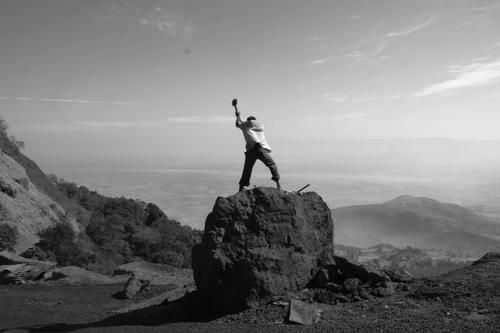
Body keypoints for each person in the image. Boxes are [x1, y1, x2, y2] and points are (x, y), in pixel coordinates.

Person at [232, 98, 281, 192]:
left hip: (251, 150)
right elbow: (243, 123)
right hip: (260, 149)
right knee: (272, 164)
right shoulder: (260, 125)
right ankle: (278, 184)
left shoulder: (247, 125)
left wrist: (237, 116)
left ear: (249, 120)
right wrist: (239, 117)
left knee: (247, 169)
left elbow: (238, 124)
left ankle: (241, 188)